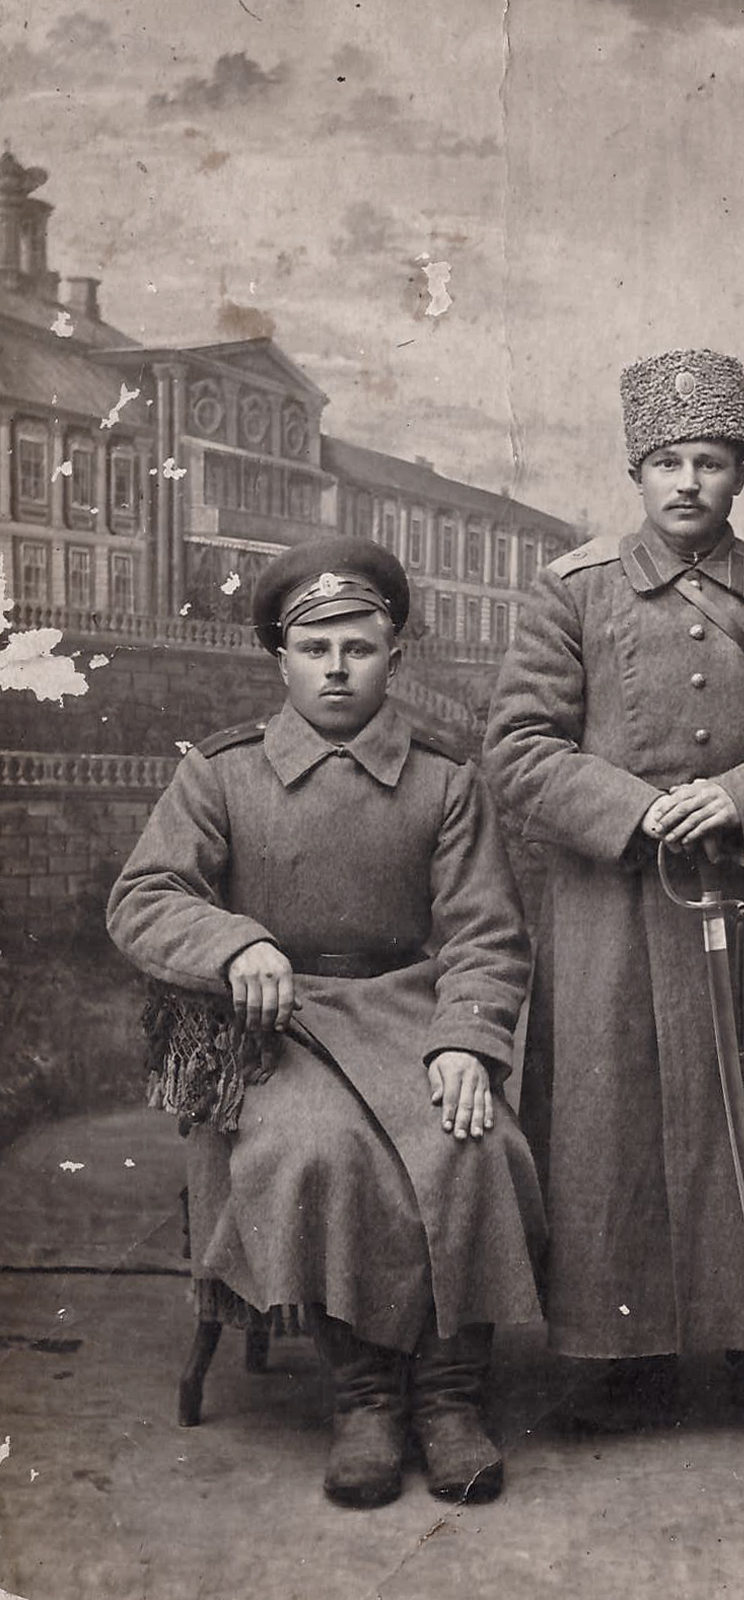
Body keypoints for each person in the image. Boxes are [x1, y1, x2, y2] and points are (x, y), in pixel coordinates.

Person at [482, 349, 744, 1449]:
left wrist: (743, 796)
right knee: (610, 1123)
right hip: (611, 909)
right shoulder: (571, 593)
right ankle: (622, 1360)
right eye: (666, 461)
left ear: (741, 471)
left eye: (709, 460)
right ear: (635, 471)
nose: (687, 482)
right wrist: (636, 807)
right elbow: (517, 749)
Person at [107, 536, 545, 1508]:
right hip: (276, 1031)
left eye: (358, 647)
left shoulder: (444, 780)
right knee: (317, 1148)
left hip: (409, 1015)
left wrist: (467, 1040)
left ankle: (449, 1397)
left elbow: (486, 932)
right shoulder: (222, 773)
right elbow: (144, 897)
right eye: (314, 648)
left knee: (475, 1144)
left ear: (394, 656)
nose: (336, 668)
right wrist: (233, 945)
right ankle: (365, 1398)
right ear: (282, 658)